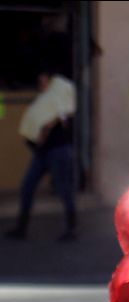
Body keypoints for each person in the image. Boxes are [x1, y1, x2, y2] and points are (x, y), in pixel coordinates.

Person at [6, 68, 77, 241]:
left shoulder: (60, 98)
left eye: (43, 80)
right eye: (39, 81)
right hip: (43, 152)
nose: (41, 84)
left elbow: (66, 118)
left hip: (58, 150)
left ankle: (71, 229)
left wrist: (49, 125)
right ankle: (21, 227)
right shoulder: (43, 101)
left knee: (63, 189)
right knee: (27, 187)